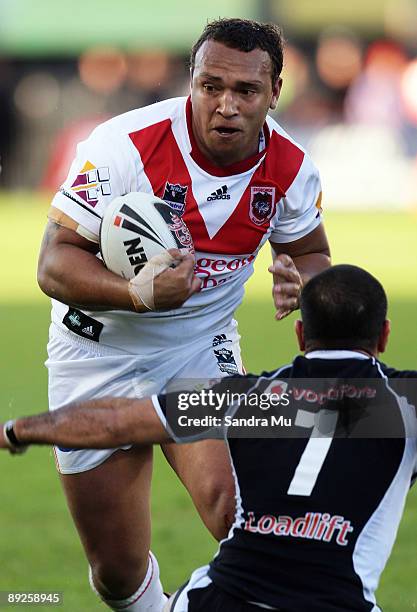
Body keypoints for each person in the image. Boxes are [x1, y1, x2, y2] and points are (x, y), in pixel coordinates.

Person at [36, 17, 330, 612]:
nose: (225, 105)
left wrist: (307, 285)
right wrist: (140, 295)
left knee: (239, 512)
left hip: (201, 351)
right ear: (190, 81)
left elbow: (313, 254)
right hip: (96, 353)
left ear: (275, 92)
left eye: (246, 91)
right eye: (209, 85)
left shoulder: (293, 169)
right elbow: (52, 265)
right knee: (116, 573)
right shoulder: (124, 145)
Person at [2, 265, 416, 611]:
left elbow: (114, 421)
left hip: (218, 599)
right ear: (383, 336)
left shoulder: (246, 398)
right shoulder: (405, 405)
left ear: (302, 335)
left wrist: (16, 430)